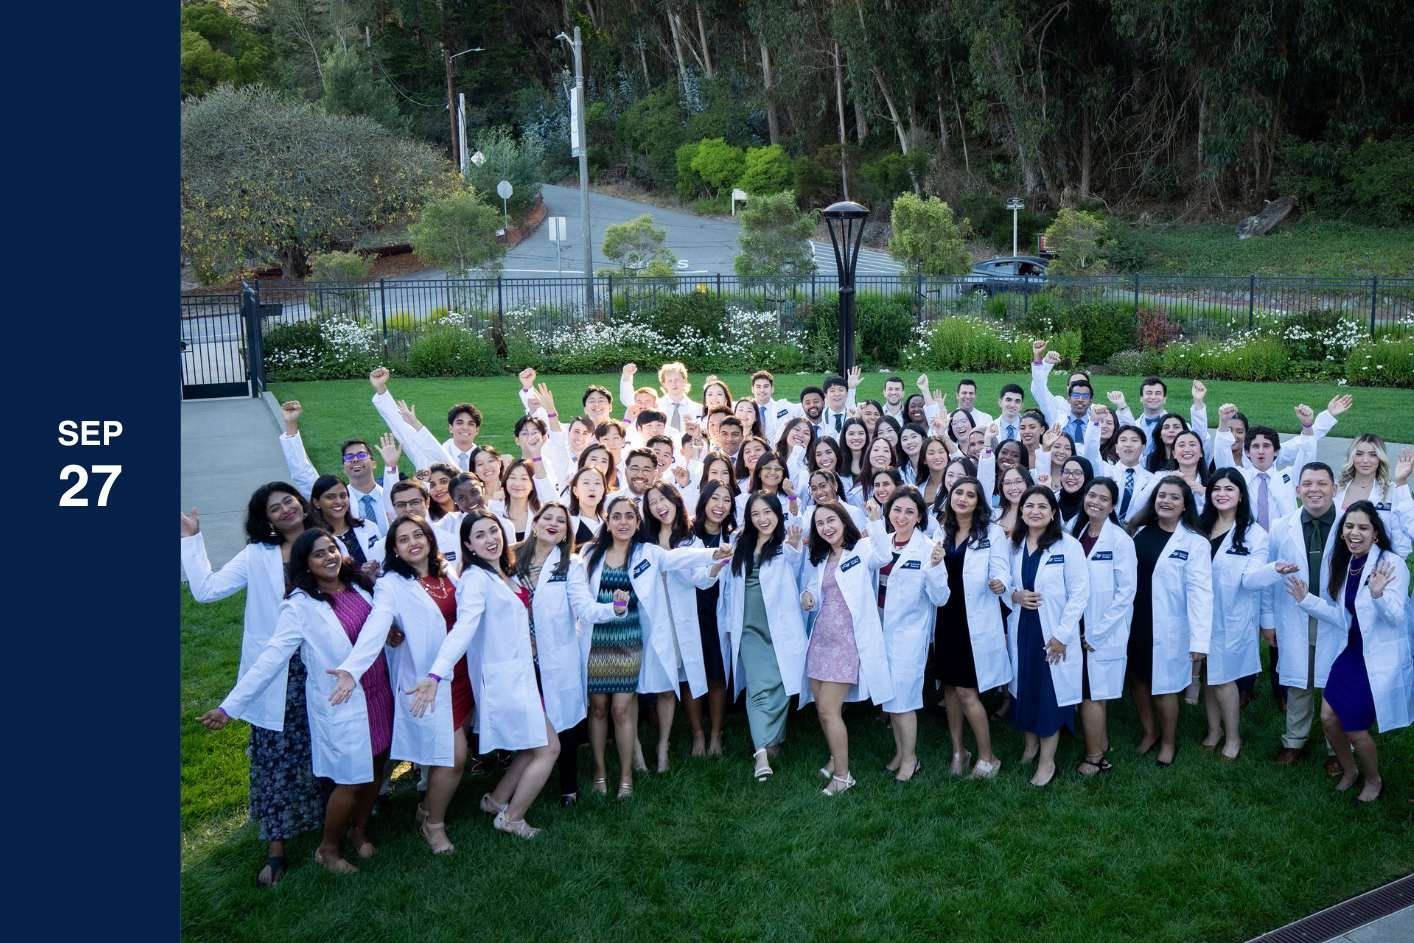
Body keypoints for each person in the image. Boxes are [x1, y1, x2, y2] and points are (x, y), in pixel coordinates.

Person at [200, 529, 393, 875]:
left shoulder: (359, 587)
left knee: (377, 766)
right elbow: (271, 658)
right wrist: (230, 707)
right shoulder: (299, 606)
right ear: (305, 564)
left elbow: (379, 625)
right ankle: (328, 849)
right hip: (341, 701)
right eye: (319, 554)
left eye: (332, 549)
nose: (330, 557)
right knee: (350, 780)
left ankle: (358, 829)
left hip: (377, 692)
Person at [181, 484, 323, 887]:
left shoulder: (324, 543)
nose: (285, 509)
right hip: (275, 673)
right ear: (267, 520)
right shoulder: (258, 555)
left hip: (322, 666)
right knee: (275, 757)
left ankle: (332, 826)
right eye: (274, 508)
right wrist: (191, 539)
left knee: (323, 746)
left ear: (301, 503)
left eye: (288, 501)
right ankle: (276, 847)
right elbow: (207, 591)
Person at [407, 511, 564, 838]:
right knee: (548, 748)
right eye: (479, 535)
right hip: (504, 681)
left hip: (521, 674)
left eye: (493, 531)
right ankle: (512, 818)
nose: (490, 539)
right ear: (468, 544)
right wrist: (436, 674)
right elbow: (463, 629)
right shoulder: (476, 580)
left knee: (529, 746)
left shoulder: (504, 572)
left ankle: (495, 801)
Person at [333, 515, 469, 853]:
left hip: (462, 671)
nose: (413, 543)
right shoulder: (391, 584)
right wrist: (353, 668)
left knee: (450, 750)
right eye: (404, 539)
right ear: (394, 548)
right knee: (454, 756)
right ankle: (432, 823)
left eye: (418, 535)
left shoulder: (444, 571)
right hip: (429, 679)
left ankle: (426, 808)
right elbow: (377, 625)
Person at [580, 497, 726, 798]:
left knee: (620, 710)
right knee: (598, 708)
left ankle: (625, 778)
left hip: (631, 638)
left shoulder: (647, 552)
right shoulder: (591, 553)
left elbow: (681, 559)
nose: (623, 522)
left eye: (629, 517)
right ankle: (598, 771)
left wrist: (715, 553)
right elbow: (581, 600)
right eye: (616, 517)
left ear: (637, 522)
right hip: (596, 639)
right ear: (607, 522)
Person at [1284, 501, 1411, 802]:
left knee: (1355, 729)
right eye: (1349, 526)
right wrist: (1307, 601)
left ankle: (1373, 780)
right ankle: (1349, 769)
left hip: (1378, 657)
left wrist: (1378, 594)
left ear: (1376, 534)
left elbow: (1396, 617)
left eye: (1363, 527)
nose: (1355, 533)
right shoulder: (1347, 562)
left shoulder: (1391, 564)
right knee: (1328, 718)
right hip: (1352, 652)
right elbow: (1344, 617)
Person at [510, 503, 625, 806]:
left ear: (565, 533)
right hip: (519, 656)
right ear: (534, 524)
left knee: (565, 722)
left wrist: (613, 609)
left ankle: (568, 788)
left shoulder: (570, 564)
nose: (553, 523)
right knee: (529, 721)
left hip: (557, 657)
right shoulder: (511, 560)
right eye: (547, 518)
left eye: (560, 521)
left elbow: (584, 608)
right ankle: (519, 784)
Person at [800, 502, 896, 796]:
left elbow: (884, 555)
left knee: (829, 710)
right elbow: (811, 589)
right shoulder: (820, 557)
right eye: (820, 524)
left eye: (831, 520)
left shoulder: (862, 549)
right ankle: (834, 756)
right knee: (822, 708)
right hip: (821, 641)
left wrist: (877, 521)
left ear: (843, 521)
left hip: (847, 641)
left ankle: (843, 776)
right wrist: (806, 595)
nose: (826, 527)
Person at [714, 493, 807, 781]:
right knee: (757, 687)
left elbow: (795, 557)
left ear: (778, 514)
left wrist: (794, 544)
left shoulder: (785, 543)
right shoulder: (740, 542)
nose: (762, 519)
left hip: (780, 627)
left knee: (780, 685)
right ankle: (761, 753)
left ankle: (773, 739)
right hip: (749, 627)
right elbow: (719, 578)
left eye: (767, 512)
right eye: (756, 514)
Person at [1126, 477, 1214, 767]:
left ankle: (1168, 741)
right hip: (1135, 620)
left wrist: (1200, 641)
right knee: (1138, 680)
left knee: (1163, 687)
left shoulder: (1194, 542)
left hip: (1169, 624)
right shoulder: (1138, 531)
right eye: (1161, 495)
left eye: (1174, 497)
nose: (1166, 501)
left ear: (1185, 505)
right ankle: (1149, 732)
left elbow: (1202, 594)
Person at [864, 487, 951, 782]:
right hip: (880, 631)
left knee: (904, 701)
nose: (902, 516)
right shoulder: (881, 542)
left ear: (919, 517)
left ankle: (911, 760)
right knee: (891, 699)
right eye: (897, 510)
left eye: (909, 512)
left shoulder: (928, 549)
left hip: (908, 637)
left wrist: (937, 568)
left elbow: (941, 598)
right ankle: (900, 753)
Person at [1007, 487, 1089, 787]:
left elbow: (1080, 594)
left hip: (1053, 633)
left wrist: (1062, 635)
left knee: (1049, 696)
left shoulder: (1068, 546)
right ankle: (1030, 746)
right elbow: (1003, 583)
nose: (1035, 511)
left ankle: (1047, 761)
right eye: (1029, 506)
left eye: (1043, 506)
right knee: (1025, 689)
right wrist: (1013, 595)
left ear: (1053, 512)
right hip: (1022, 630)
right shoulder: (1014, 545)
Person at [1197, 469, 1281, 760]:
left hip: (1232, 615)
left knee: (1224, 678)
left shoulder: (1255, 535)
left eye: (1229, 489)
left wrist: (1273, 571)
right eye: (1216, 488)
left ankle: (1233, 737)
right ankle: (1213, 730)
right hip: (1200, 613)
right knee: (1208, 674)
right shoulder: (1200, 526)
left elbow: (1250, 580)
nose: (1222, 493)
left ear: (1241, 495)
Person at [932, 477, 1011, 779]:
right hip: (945, 617)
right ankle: (958, 751)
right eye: (958, 493)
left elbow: (1001, 566)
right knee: (950, 689)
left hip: (974, 619)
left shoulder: (991, 533)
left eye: (970, 495)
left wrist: (1000, 582)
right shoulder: (940, 530)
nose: (963, 499)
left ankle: (989, 757)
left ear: (979, 502)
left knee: (967, 692)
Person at [1264, 462, 1341, 768]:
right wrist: (1268, 620)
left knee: (1336, 683)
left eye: (1322, 483)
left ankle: (1337, 748)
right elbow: (1270, 576)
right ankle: (1294, 740)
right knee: (1299, 681)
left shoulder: (1350, 523)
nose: (1314, 490)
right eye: (1307, 484)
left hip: (1337, 619)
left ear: (1334, 488)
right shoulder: (1282, 527)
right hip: (1295, 616)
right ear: (1297, 491)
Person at [640, 483, 714, 773]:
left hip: (681, 618)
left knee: (688, 680)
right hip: (653, 621)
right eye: (653, 502)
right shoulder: (643, 541)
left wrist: (716, 564)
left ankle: (695, 735)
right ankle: (663, 743)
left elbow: (702, 580)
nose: (660, 505)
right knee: (662, 684)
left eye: (664, 499)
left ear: (675, 501)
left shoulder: (690, 539)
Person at [1070, 478, 1137, 776]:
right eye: (1091, 495)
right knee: (1093, 690)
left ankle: (1095, 757)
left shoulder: (1120, 541)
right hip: (1078, 624)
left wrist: (1096, 633)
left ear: (1112, 505)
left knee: (1092, 693)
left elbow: (1126, 593)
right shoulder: (1077, 529)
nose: (1095, 502)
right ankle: (1103, 741)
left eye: (1103, 498)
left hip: (1100, 630)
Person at [689, 480, 736, 755]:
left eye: (726, 500)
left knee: (717, 675)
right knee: (693, 674)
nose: (720, 506)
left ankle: (716, 735)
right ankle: (697, 734)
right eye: (715, 499)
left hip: (720, 612)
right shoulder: (688, 536)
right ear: (704, 502)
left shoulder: (734, 538)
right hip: (693, 611)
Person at [309, 474, 383, 574]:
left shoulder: (368, 526)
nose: (339, 501)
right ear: (316, 502)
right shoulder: (315, 539)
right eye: (330, 497)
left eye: (343, 496)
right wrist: (359, 573)